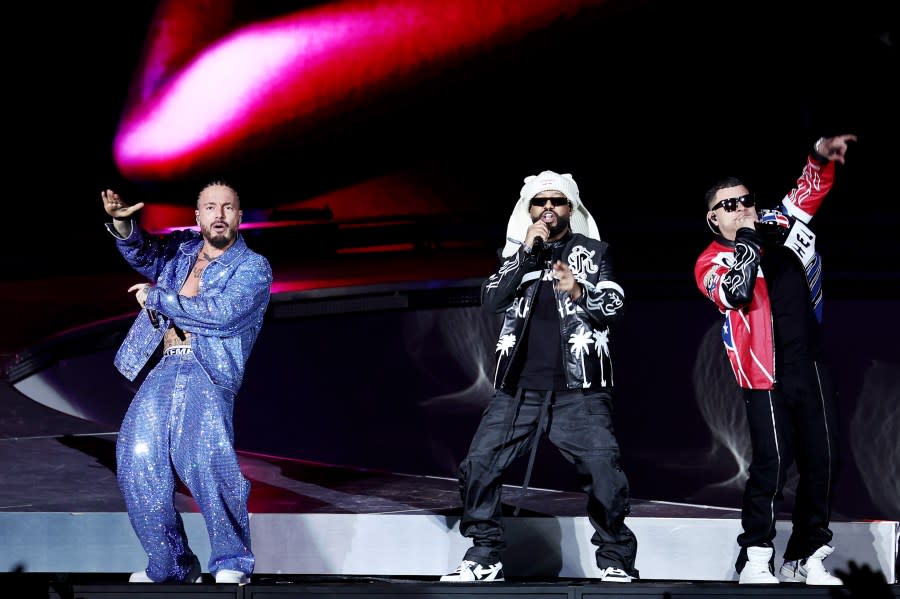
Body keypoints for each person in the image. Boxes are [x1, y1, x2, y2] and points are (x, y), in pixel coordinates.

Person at [441, 170, 638, 583]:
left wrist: (578, 289)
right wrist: (527, 256)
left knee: (604, 470)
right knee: (479, 463)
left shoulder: (594, 252)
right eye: (540, 202)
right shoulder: (517, 255)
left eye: (557, 201)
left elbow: (615, 305)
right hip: (518, 387)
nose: (548, 208)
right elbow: (491, 300)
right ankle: (483, 553)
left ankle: (616, 560)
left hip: (579, 387)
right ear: (528, 210)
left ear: (571, 209)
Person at [693, 134, 857, 585]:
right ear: (713, 217)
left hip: (811, 363)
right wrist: (747, 239)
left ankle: (805, 556)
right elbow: (737, 292)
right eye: (731, 204)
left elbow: (808, 190)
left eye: (747, 200)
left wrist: (820, 154)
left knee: (822, 460)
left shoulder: (779, 224)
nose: (744, 207)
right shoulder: (712, 260)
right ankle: (757, 556)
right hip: (764, 373)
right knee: (773, 463)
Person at [101, 182, 272, 584]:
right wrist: (123, 226)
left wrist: (158, 299)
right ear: (197, 217)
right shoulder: (180, 251)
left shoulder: (253, 268)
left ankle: (233, 560)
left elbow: (222, 314)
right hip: (166, 365)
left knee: (205, 459)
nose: (218, 214)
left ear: (239, 217)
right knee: (136, 456)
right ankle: (171, 564)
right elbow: (144, 253)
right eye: (210, 207)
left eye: (227, 208)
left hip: (208, 368)